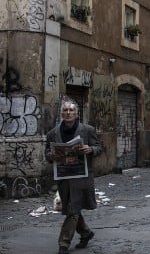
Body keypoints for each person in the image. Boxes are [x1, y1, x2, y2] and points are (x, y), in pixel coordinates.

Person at [45, 97, 102, 254]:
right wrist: (52, 155)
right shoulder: (52, 133)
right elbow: (47, 154)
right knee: (72, 208)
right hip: (63, 175)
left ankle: (63, 243)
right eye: (65, 110)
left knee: (73, 209)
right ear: (62, 114)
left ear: (77, 114)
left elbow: (98, 147)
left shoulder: (88, 130)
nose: (68, 112)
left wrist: (90, 149)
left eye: (71, 110)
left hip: (81, 175)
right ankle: (86, 233)